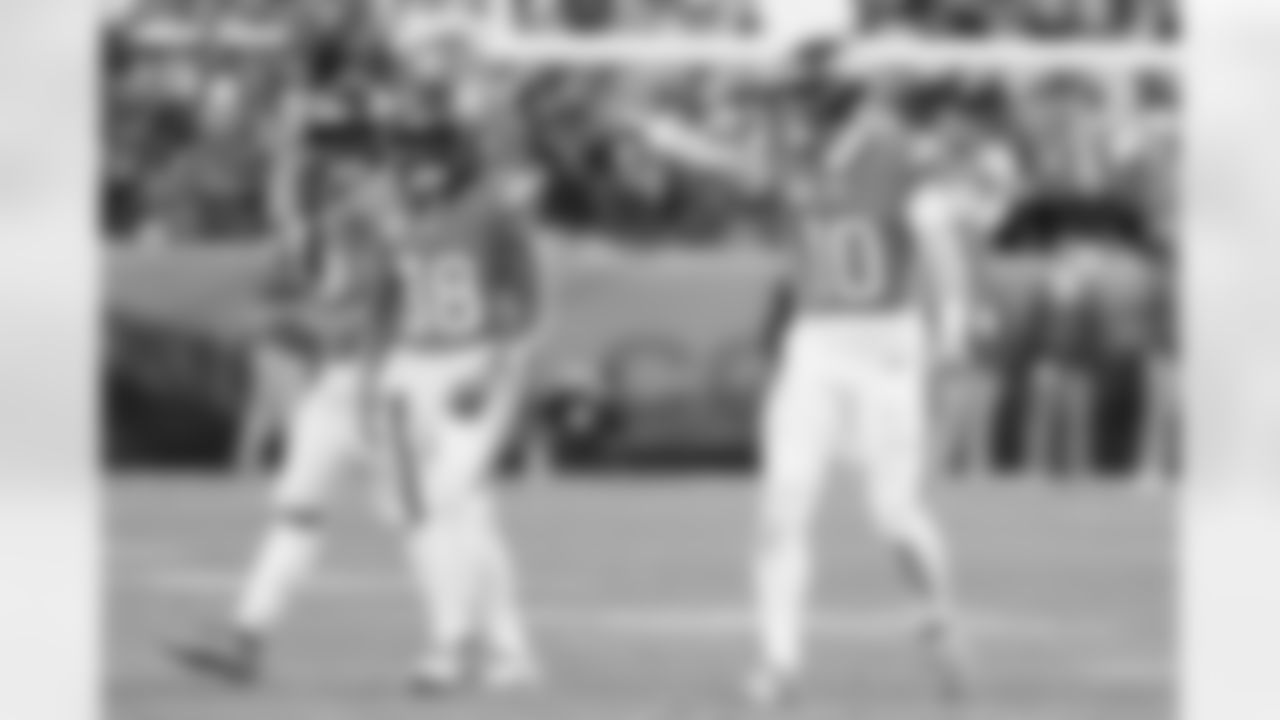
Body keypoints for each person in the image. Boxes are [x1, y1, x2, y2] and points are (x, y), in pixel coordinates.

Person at [629, 44, 972, 705]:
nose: (788, 111)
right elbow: (741, 167)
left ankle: (938, 619)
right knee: (782, 509)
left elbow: (937, 238)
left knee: (895, 516)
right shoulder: (805, 151)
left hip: (886, 347)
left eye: (799, 99)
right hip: (815, 344)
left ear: (830, 101)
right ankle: (778, 661)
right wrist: (674, 141)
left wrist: (954, 325)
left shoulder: (894, 151)